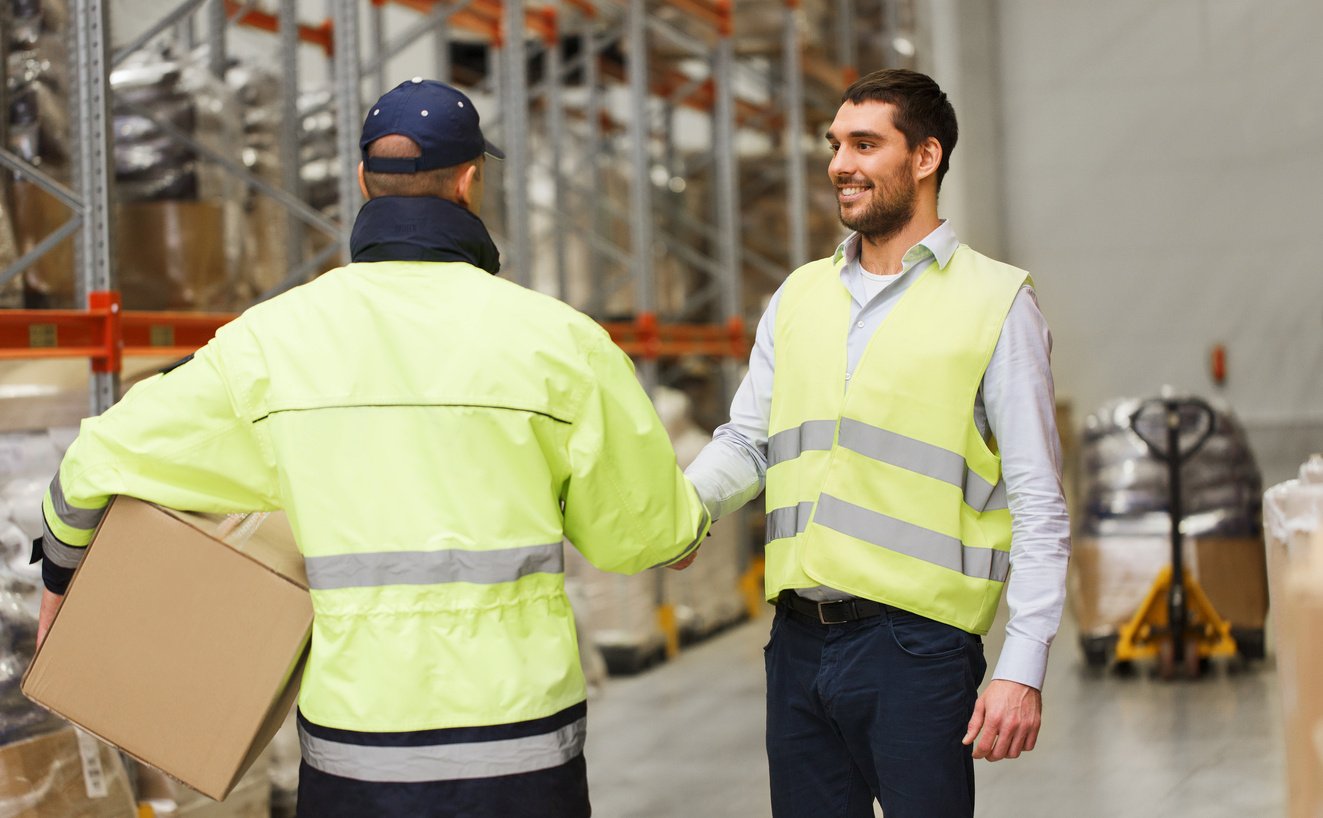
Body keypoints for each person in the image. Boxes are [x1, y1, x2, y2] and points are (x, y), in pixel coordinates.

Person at [32, 78, 709, 818]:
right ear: (469, 180)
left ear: (362, 182)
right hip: (520, 746)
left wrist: (61, 580)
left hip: (357, 750)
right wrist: (690, 526)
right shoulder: (561, 342)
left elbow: (95, 462)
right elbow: (647, 536)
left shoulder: (272, 340)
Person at [684, 68, 1071, 818]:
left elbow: (1037, 501)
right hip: (796, 644)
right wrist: (682, 510)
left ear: (924, 158)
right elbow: (749, 440)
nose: (839, 164)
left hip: (917, 650)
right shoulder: (798, 296)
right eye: (835, 144)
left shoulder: (996, 303)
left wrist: (1021, 667)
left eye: (865, 144)